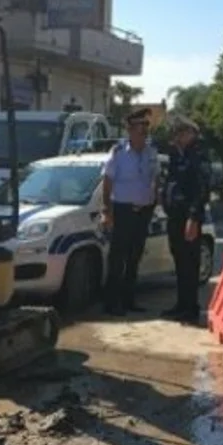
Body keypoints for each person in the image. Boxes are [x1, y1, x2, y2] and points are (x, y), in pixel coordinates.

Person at [101, 108, 159, 316]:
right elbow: (107, 183)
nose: (144, 133)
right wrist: (107, 211)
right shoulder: (118, 153)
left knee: (135, 257)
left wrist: (154, 202)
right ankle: (111, 303)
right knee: (118, 259)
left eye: (146, 129)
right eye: (140, 129)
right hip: (122, 210)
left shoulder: (151, 152)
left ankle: (129, 300)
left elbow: (156, 179)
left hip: (143, 211)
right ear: (130, 131)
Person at [160, 117, 212, 323]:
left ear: (191, 133)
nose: (178, 138)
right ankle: (181, 305)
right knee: (180, 263)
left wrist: (193, 217)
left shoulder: (198, 156)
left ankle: (190, 308)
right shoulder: (178, 155)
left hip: (188, 217)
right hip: (175, 216)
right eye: (176, 134)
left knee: (190, 264)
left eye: (181, 133)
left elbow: (201, 190)